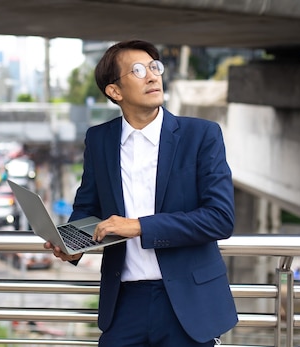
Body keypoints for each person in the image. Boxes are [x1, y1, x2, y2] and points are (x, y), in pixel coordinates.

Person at [44, 40, 237, 346]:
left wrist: (138, 226)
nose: (151, 76)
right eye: (137, 70)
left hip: (187, 303)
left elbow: (220, 219)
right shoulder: (99, 139)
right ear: (114, 91)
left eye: (154, 67)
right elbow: (87, 205)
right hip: (124, 303)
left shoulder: (201, 135)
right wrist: (74, 243)